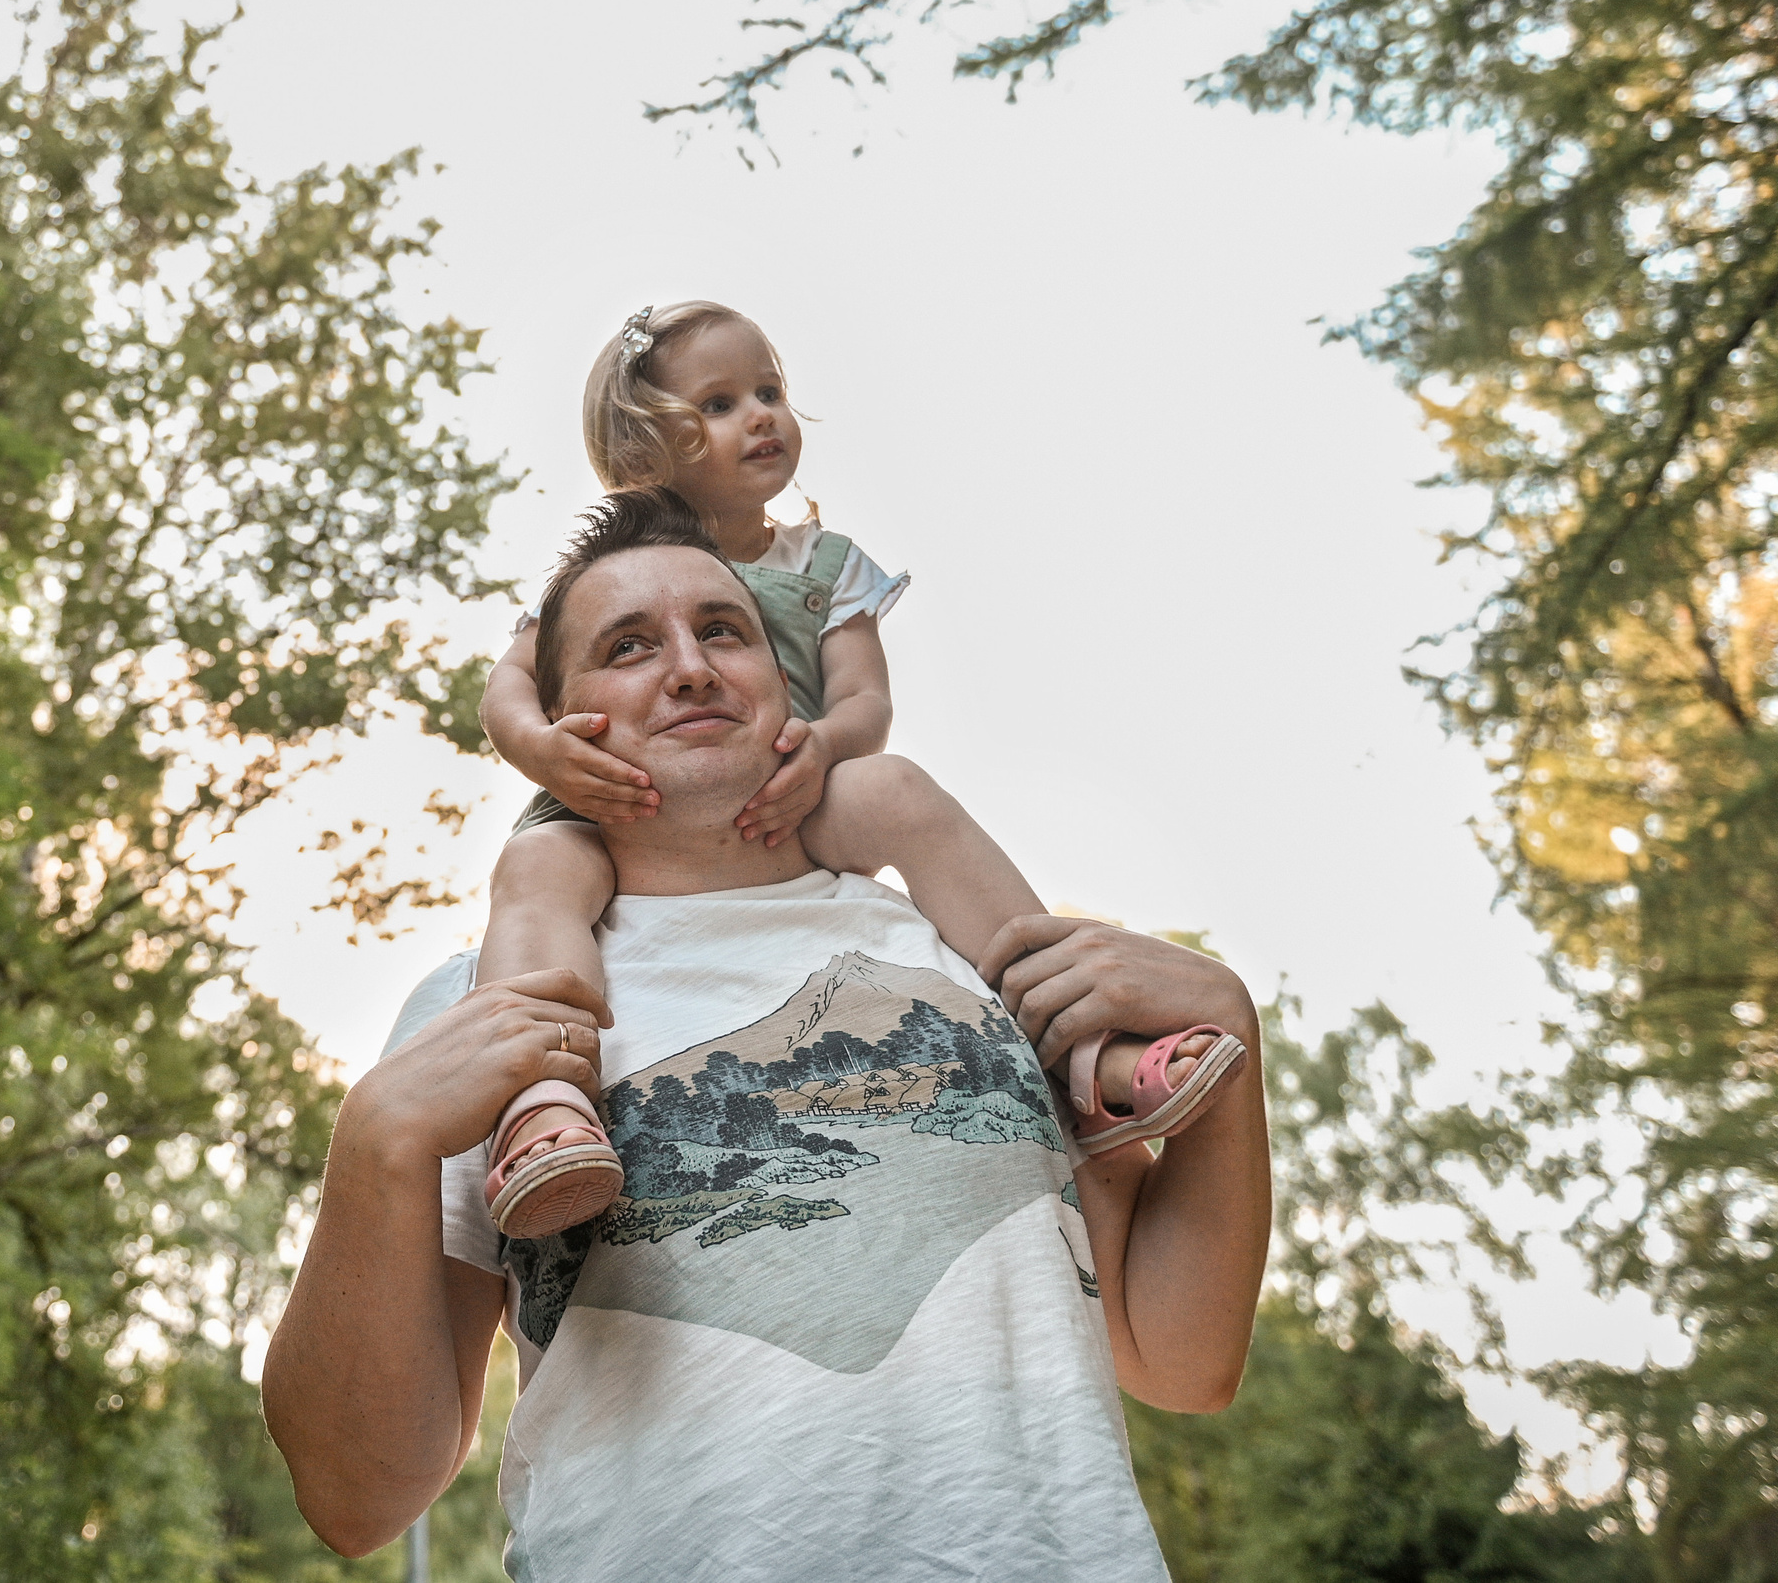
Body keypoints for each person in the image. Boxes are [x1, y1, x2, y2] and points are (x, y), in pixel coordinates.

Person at [261, 490, 1272, 1580]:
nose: (690, 667)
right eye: (629, 645)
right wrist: (373, 1150)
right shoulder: (487, 1012)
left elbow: (1181, 1357)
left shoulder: (965, 961)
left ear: (781, 686)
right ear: (559, 728)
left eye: (724, 631)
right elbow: (357, 1498)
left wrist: (1230, 1055)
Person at [472, 303, 1241, 1237]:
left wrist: (825, 748)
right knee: (540, 871)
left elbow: (865, 703)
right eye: (719, 403)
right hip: (618, 801)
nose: (761, 415)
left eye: (771, 391)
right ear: (647, 449)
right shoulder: (608, 575)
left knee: (900, 789)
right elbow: (506, 689)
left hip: (791, 783)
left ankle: (1082, 1042)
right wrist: (542, 747)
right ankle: (541, 1103)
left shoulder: (825, 564)